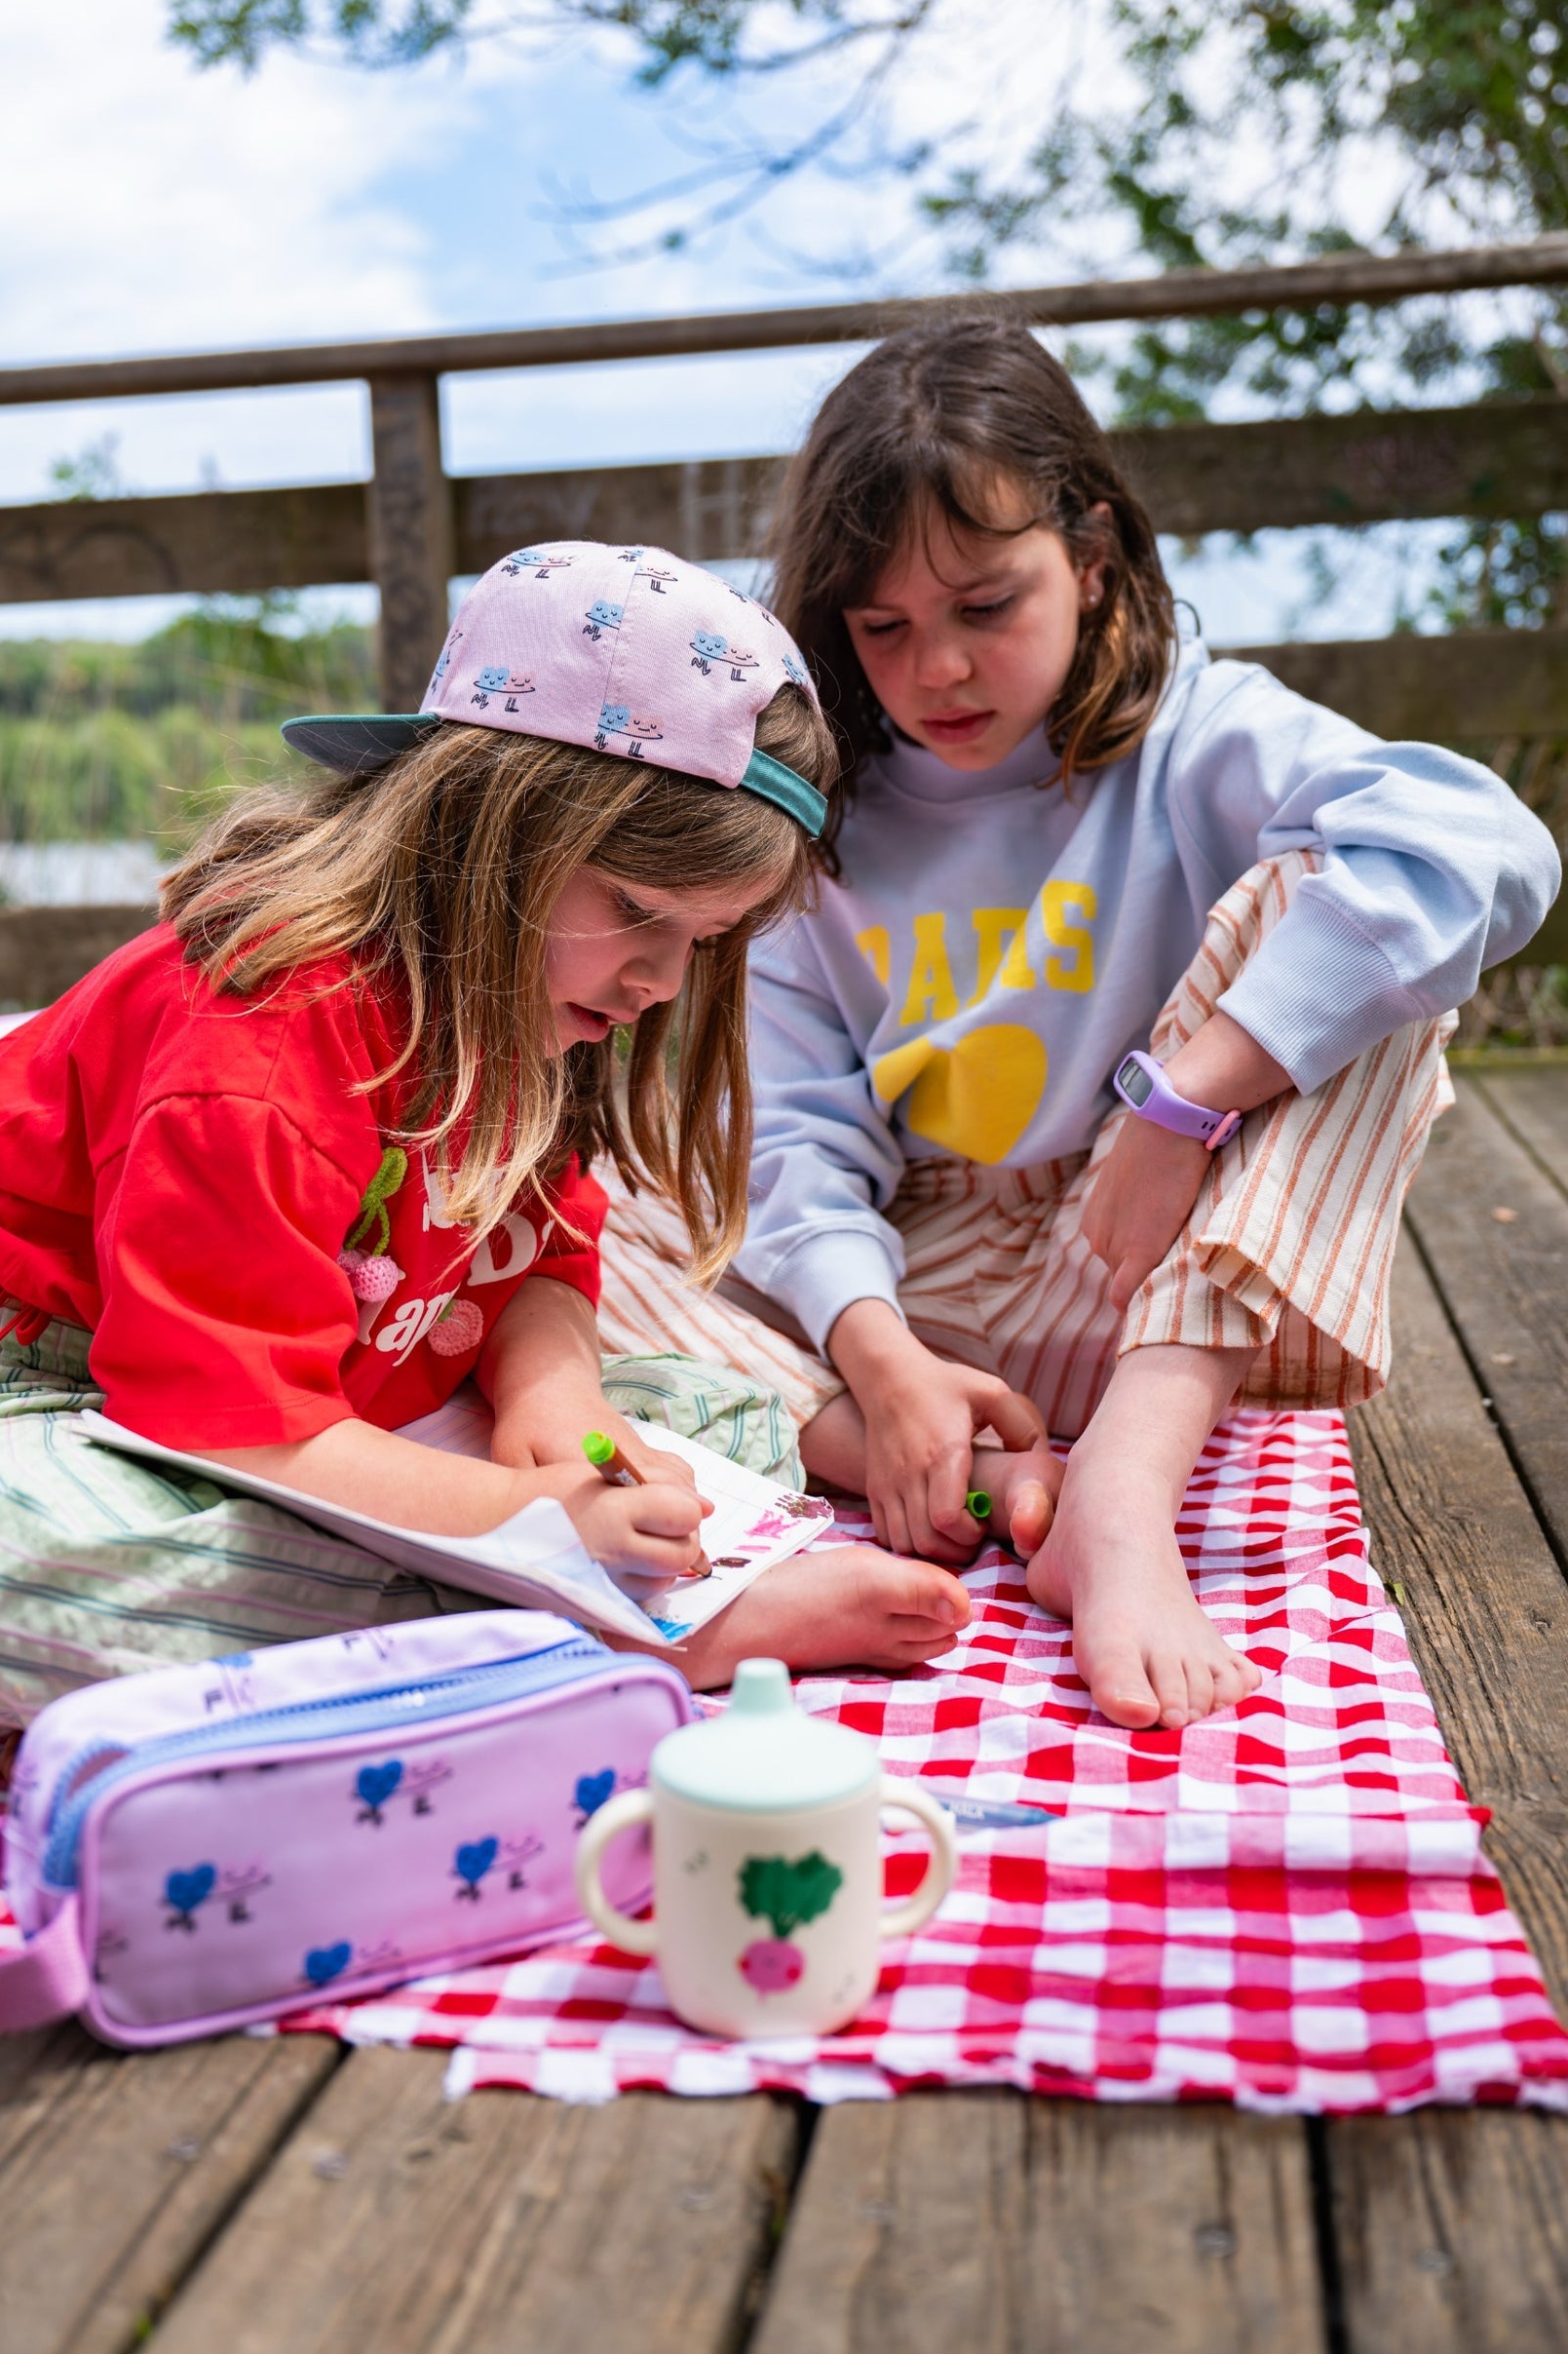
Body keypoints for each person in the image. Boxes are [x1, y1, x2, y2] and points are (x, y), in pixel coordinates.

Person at [0, 543, 975, 1733]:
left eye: (706, 939)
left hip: (349, 1390)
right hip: (59, 1404)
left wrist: (557, 1409)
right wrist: (532, 1528)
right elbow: (222, 1419)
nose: (660, 983)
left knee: (718, 1422)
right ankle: (597, 1628)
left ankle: (518, 1609)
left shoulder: (522, 1001)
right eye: (637, 911)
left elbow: (535, 1263)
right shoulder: (257, 1046)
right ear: (487, 830)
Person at [595, 325, 1560, 1734]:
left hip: (1126, 1276)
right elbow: (793, 1129)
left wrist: (1184, 1104)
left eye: (986, 605)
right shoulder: (812, 820)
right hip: (890, 1308)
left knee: (1361, 929)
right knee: (567, 1223)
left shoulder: (1196, 731)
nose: (938, 669)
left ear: (1092, 556)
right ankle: (932, 1465)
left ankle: (1118, 1492)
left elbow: (1482, 846)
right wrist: (880, 1356)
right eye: (884, 628)